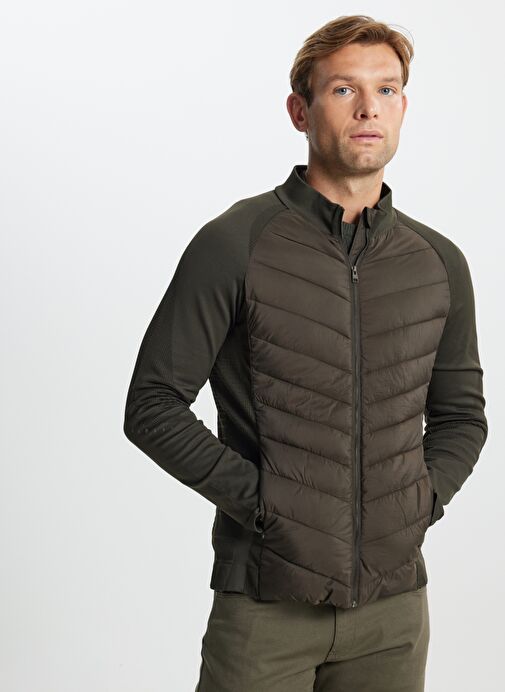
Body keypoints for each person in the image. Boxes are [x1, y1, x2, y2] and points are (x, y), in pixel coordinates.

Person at [123, 14, 488, 692]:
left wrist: (418, 502)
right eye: (344, 89)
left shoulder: (438, 262)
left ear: (403, 107)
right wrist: (266, 506)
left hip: (393, 613)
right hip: (265, 603)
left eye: (385, 89)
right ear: (300, 110)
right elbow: (152, 406)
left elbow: (461, 416)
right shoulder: (235, 243)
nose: (368, 107)